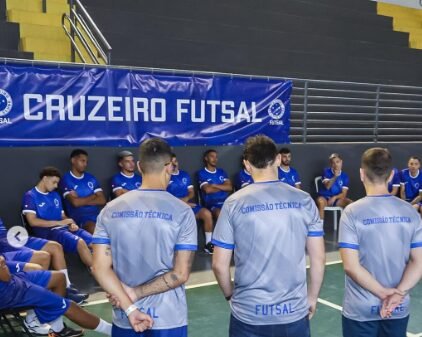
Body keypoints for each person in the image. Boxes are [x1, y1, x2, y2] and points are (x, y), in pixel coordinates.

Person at [212, 135, 325, 337]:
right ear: (279, 159)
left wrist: (230, 296)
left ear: (247, 165)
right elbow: (318, 259)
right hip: (293, 313)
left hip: (248, 314)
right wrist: (313, 297)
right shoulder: (304, 200)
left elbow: (219, 266)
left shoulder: (233, 203)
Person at [92, 138, 197, 337]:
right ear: (169, 166)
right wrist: (136, 293)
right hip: (168, 318)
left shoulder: (110, 210)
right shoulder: (183, 212)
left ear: (139, 166)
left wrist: (129, 303)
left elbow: (99, 267)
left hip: (125, 315)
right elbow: (180, 274)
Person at [339, 148, 422, 337]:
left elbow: (351, 267)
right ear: (392, 174)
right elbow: (419, 261)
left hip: (361, 309)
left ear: (361, 173)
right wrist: (397, 294)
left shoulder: (352, 213)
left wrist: (384, 293)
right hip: (398, 306)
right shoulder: (410, 212)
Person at [0, 255, 113, 337]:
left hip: (12, 278)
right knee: (69, 306)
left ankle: (55, 328)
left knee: (58, 278)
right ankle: (113, 331)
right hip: (8, 289)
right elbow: (5, 275)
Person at [22, 167, 93, 270]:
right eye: (54, 182)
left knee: (95, 242)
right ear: (45, 179)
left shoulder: (55, 195)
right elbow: (32, 221)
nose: (56, 186)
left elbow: (62, 216)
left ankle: (108, 270)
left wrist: (70, 223)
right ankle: (99, 272)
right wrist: (59, 223)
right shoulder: (30, 196)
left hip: (63, 228)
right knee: (80, 242)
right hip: (48, 232)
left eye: (57, 183)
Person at [167, 153, 214, 254]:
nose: (174, 164)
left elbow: (191, 192)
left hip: (187, 204)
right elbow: (164, 196)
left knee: (206, 213)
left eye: (176, 161)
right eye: (172, 162)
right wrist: (181, 203)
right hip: (172, 207)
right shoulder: (165, 176)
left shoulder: (184, 174)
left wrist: (186, 200)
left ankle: (208, 244)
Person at [60, 149, 106, 234]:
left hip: (97, 215)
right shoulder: (66, 179)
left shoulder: (90, 178)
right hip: (80, 217)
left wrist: (81, 200)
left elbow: (102, 200)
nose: (85, 164)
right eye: (82, 161)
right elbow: (75, 203)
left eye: (86, 162)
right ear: (73, 160)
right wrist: (93, 196)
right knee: (95, 229)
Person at [197, 149, 232, 219]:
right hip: (212, 203)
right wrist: (223, 187)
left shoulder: (221, 171)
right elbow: (208, 190)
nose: (215, 159)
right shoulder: (202, 173)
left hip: (225, 202)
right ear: (206, 158)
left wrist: (214, 185)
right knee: (220, 213)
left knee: (237, 212)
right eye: (212, 156)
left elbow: (229, 188)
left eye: (216, 157)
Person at [316, 153, 353, 220]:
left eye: (337, 162)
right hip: (324, 197)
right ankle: (319, 228)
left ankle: (350, 227)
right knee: (321, 202)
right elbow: (328, 187)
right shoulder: (326, 171)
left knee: (350, 203)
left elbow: (344, 194)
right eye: (333, 163)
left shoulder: (345, 176)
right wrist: (335, 176)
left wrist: (334, 197)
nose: (336, 165)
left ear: (341, 162)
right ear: (331, 164)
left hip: (336, 199)